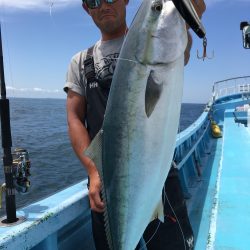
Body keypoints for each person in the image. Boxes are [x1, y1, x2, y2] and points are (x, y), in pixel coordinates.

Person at [64, 0, 206, 249]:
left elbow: (184, 31)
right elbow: (75, 118)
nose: (104, 5)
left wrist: (188, 13)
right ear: (87, 9)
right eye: (94, 1)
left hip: (157, 172)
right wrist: (93, 171)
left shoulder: (162, 39)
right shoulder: (80, 62)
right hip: (105, 180)